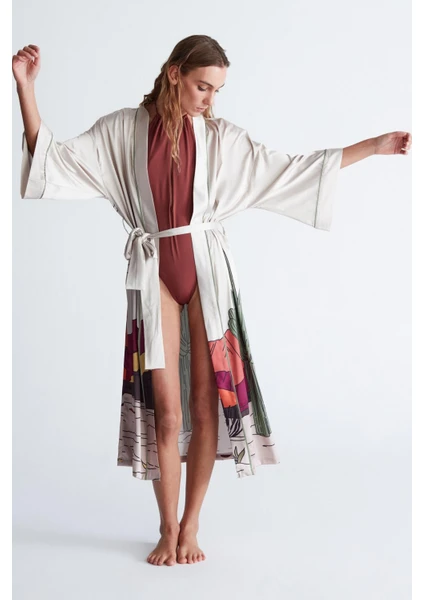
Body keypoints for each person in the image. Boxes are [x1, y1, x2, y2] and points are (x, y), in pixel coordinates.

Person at [13, 34, 411, 568]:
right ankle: (166, 526)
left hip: (206, 272)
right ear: (174, 74)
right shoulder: (122, 130)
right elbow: (54, 162)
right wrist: (26, 89)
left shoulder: (222, 139)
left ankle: (192, 522)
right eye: (203, 86)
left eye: (217, 90)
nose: (210, 99)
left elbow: (290, 169)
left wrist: (373, 147)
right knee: (167, 411)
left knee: (205, 404)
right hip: (154, 271)